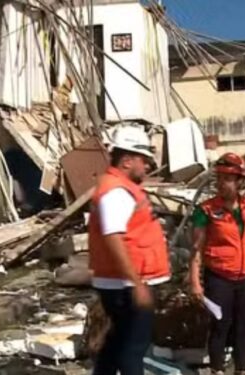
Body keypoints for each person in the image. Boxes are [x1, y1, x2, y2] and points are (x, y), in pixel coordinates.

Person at [88, 124, 171, 375]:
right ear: (126, 160)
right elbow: (113, 236)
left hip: (122, 281)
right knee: (133, 348)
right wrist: (136, 284)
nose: (147, 166)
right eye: (143, 159)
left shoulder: (120, 188)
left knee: (117, 341)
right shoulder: (116, 192)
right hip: (127, 284)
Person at [189, 152, 245, 375]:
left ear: (240, 182)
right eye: (219, 178)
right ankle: (217, 370)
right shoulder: (204, 211)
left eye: (227, 179)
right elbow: (196, 250)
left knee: (244, 327)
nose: (221, 183)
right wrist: (195, 282)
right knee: (220, 327)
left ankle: (241, 369)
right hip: (219, 279)